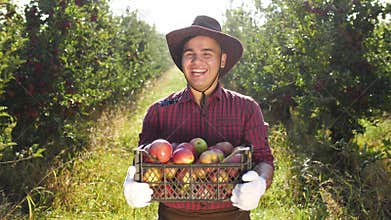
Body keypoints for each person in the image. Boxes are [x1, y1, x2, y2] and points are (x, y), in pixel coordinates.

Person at [123, 15, 274, 220]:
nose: (197, 62)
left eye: (207, 53)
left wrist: (260, 183)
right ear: (182, 60)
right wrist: (132, 181)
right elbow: (142, 160)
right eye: (189, 54)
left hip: (231, 216)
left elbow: (264, 160)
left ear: (222, 60)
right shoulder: (159, 111)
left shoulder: (246, 109)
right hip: (174, 215)